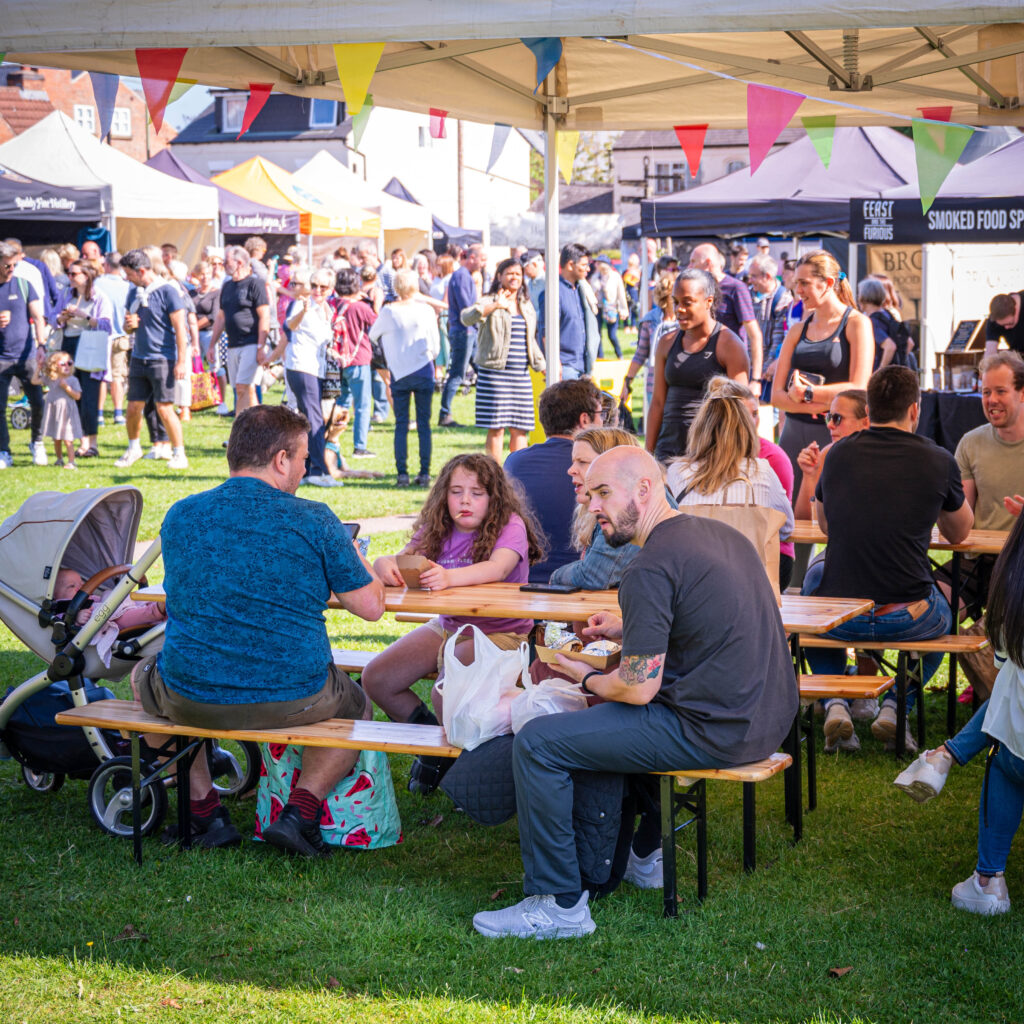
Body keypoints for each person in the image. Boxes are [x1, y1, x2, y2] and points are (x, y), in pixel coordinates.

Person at [472, 446, 797, 939]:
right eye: (589, 495)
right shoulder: (722, 536)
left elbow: (637, 688)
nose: (592, 506)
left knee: (540, 741)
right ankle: (644, 855)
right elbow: (701, 616)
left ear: (645, 489)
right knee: (598, 724)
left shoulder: (649, 568)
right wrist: (629, 627)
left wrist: (581, 675)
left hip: (714, 731)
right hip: (769, 718)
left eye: (603, 493)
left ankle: (559, 906)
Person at [132, 404, 385, 855]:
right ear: (281, 459)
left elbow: (182, 598)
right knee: (357, 707)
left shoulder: (181, 514)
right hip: (295, 696)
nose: (306, 468)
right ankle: (300, 815)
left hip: (188, 694)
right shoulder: (315, 519)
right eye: (305, 457)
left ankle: (206, 811)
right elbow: (371, 608)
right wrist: (353, 551)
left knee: (141, 679)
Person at [801, 367, 973, 754]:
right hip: (908, 616)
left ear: (871, 409)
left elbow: (825, 526)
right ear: (914, 411)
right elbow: (960, 533)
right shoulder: (938, 459)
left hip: (843, 618)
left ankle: (835, 703)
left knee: (810, 596)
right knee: (946, 616)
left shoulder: (839, 453)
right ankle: (897, 706)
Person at [361, 453, 546, 794]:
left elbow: (497, 569)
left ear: (494, 497)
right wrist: (383, 562)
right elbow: (402, 559)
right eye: (456, 491)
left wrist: (449, 577)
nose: (465, 501)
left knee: (446, 690)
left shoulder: (510, 525)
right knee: (378, 678)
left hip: (502, 633)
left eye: (477, 493)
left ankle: (474, 776)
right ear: (443, 495)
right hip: (447, 627)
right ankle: (435, 753)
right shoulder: (439, 527)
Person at [910, 508, 1024, 915]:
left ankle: (988, 881)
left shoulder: (1012, 592)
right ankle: (946, 755)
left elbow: (1003, 661)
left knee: (1006, 753)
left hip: (1018, 746)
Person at [665, 377, 795, 590]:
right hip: (750, 586)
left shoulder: (677, 471)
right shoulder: (762, 470)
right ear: (745, 429)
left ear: (700, 428)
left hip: (691, 585)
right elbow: (786, 528)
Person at [770, 250, 874, 500]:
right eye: (796, 284)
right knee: (793, 519)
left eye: (804, 283)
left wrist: (807, 394)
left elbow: (859, 387)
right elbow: (776, 396)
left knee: (840, 510)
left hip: (838, 435)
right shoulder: (797, 330)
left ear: (827, 283)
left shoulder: (856, 323)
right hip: (795, 433)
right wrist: (818, 405)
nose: (798, 291)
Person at [935, 352, 1024, 620]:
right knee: (926, 609)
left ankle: (993, 651)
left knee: (1007, 620)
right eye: (986, 392)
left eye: (1000, 391)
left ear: (1022, 393)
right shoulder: (971, 443)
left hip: (1019, 561)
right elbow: (963, 515)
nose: (991, 400)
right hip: (977, 563)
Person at [504, 378, 604, 583]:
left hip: (522, 582)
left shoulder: (514, 462)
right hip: (581, 585)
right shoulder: (602, 463)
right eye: (601, 415)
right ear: (584, 420)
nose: (604, 422)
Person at [646, 268, 749, 462]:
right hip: (668, 450)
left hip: (709, 453)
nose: (679, 309)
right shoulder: (666, 342)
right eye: (675, 302)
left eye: (687, 302)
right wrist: (648, 455)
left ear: (708, 301)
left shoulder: (729, 345)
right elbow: (658, 402)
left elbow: (741, 408)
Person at [461, 257, 545, 462]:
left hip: (521, 375)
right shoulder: (489, 300)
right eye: (509, 273)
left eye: (518, 273)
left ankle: (518, 473)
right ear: (500, 276)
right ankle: (495, 474)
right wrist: (497, 305)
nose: (514, 277)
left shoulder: (526, 305)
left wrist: (543, 366)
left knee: (521, 428)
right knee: (496, 428)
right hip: (495, 374)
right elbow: (467, 317)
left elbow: (530, 340)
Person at [262, 266, 339, 488]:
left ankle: (308, 470)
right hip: (301, 366)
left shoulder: (327, 309)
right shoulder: (302, 304)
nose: (317, 290)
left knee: (310, 420)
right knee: (313, 420)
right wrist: (304, 311)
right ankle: (316, 470)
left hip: (315, 368)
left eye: (322, 287)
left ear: (330, 289)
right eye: (313, 285)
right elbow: (289, 327)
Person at [114, 249, 190, 471]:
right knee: (133, 408)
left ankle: (179, 453)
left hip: (162, 358)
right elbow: (126, 326)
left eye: (129, 273)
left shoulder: (168, 292)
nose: (126, 278)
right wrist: (129, 326)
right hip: (139, 357)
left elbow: (180, 330)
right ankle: (133, 448)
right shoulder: (133, 292)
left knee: (165, 408)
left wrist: (181, 361)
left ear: (142, 270)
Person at [549, 427, 646, 590]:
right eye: (573, 461)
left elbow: (594, 575)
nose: (571, 470)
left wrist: (556, 576)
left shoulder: (627, 504)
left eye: (583, 462)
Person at [368, 268, 439, 487]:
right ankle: (425, 473)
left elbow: (372, 335)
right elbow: (435, 346)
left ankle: (402, 474)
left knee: (401, 424)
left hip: (399, 372)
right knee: (424, 424)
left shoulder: (389, 311)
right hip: (423, 369)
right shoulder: (426, 310)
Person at [56, 260, 112, 459]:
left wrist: (84, 315)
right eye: (68, 273)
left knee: (89, 395)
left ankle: (92, 443)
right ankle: (82, 443)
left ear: (86, 275)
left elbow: (106, 325)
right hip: (69, 345)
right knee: (73, 394)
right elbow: (55, 319)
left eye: (74, 274)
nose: (70, 277)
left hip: (89, 346)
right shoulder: (66, 294)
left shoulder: (99, 297)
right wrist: (62, 319)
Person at [0, 240, 47, 469]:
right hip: (1, 357)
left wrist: (41, 345)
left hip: (27, 355)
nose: (11, 269)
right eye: (7, 265)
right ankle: (4, 451)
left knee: (38, 402)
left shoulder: (24, 285)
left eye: (13, 265)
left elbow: (38, 317)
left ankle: (37, 442)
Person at [208, 246, 269, 416]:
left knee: (244, 387)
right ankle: (253, 432)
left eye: (225, 262)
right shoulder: (227, 286)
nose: (222, 265)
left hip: (251, 342)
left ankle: (242, 433)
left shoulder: (255, 284)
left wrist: (260, 346)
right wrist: (212, 344)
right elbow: (221, 317)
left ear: (239, 262)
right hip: (232, 345)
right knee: (241, 389)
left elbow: (264, 315)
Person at [793, 389, 870, 521]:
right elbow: (804, 521)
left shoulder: (884, 458)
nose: (829, 425)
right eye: (829, 417)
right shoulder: (829, 454)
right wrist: (809, 475)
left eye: (837, 419)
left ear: (865, 423)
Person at [690, 243, 762, 381]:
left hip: (731, 372)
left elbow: (755, 335)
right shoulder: (699, 290)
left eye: (693, 262)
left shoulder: (735, 288)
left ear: (708, 263)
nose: (689, 267)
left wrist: (756, 380)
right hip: (703, 371)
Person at [332, 267, 379, 459]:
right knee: (362, 405)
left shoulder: (332, 304)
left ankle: (333, 441)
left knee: (341, 403)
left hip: (336, 360)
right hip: (358, 359)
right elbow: (377, 325)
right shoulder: (361, 307)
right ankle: (360, 446)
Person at [439, 244, 487, 426]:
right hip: (463, 331)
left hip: (469, 331)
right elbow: (467, 307)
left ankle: (484, 414)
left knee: (482, 372)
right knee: (457, 374)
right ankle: (445, 414)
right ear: (472, 258)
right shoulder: (461, 276)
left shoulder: (465, 276)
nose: (484, 263)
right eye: (482, 259)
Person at [620, 272, 676, 419]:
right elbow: (640, 354)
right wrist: (627, 382)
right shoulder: (650, 321)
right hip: (655, 384)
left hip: (680, 383)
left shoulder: (687, 319)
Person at [538, 244, 590, 381]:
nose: (588, 269)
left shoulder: (581, 291)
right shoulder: (553, 293)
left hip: (582, 367)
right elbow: (545, 333)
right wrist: (555, 364)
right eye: (584, 265)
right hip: (565, 368)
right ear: (570, 265)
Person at [748, 254, 791, 398]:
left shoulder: (783, 299)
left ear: (767, 276)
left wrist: (762, 372)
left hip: (766, 375)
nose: (750, 280)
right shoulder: (747, 294)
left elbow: (778, 339)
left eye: (753, 276)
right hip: (746, 367)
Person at [95, 252, 131, 426]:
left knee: (101, 374)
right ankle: (118, 413)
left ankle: (99, 414)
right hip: (120, 335)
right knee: (117, 376)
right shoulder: (127, 286)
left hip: (101, 334)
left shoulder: (98, 283)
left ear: (107, 265)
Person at [34, 350, 82, 470]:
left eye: (69, 363)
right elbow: (34, 381)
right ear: (55, 366)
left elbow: (77, 396)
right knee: (56, 438)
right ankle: (59, 459)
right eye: (63, 364)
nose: (66, 366)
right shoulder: (51, 378)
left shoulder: (72, 380)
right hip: (54, 411)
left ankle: (72, 461)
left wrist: (66, 387)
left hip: (67, 412)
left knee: (67, 438)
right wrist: (38, 368)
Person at [858, 278, 913, 370]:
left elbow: (890, 346)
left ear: (862, 297)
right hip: (896, 373)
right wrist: (899, 361)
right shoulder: (888, 315)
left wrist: (881, 371)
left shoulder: (873, 322)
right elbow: (910, 343)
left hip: (880, 375)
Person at [592, 256, 629, 359]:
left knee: (611, 335)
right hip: (598, 308)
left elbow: (621, 294)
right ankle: (600, 356)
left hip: (611, 308)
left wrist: (623, 309)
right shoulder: (595, 277)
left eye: (600, 263)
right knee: (597, 334)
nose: (598, 265)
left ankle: (619, 355)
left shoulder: (615, 276)